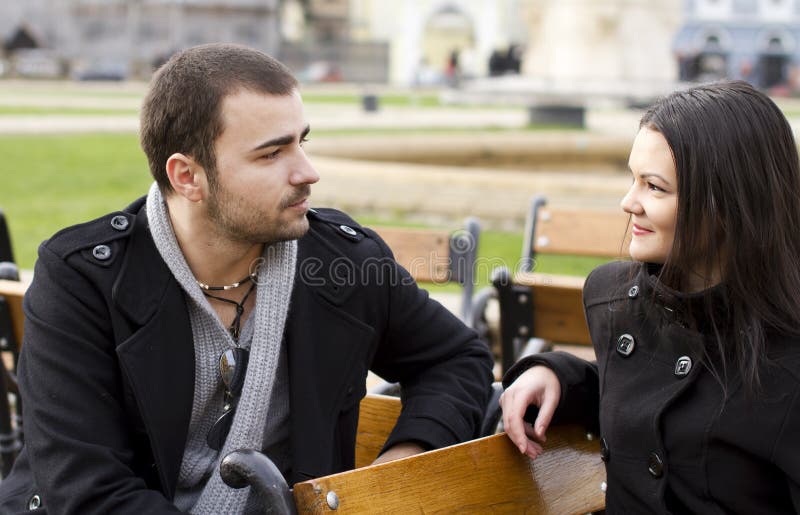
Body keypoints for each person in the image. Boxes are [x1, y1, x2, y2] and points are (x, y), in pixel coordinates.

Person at [0, 43, 494, 514]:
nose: (307, 172)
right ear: (187, 177)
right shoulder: (84, 280)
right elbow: (90, 492)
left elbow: (456, 357)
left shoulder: (344, 260)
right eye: (271, 154)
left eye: (301, 142)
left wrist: (400, 463)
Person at [500, 81, 800, 513]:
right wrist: (560, 378)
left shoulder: (786, 357)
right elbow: (649, 387)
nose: (628, 202)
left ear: (727, 204)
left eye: (654, 187)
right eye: (632, 179)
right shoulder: (618, 303)